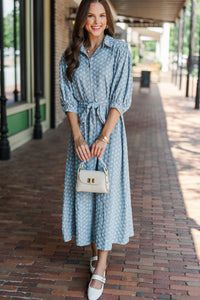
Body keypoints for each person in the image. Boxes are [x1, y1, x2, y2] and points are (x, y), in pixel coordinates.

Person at [59, 0, 134, 298]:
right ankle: (94, 251)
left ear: (108, 20)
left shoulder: (119, 50)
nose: (96, 21)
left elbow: (120, 96)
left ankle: (100, 266)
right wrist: (77, 137)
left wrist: (103, 136)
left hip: (109, 135)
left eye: (102, 16)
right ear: (81, 20)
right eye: (91, 15)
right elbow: (68, 101)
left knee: (106, 195)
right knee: (86, 191)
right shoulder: (69, 56)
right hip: (80, 135)